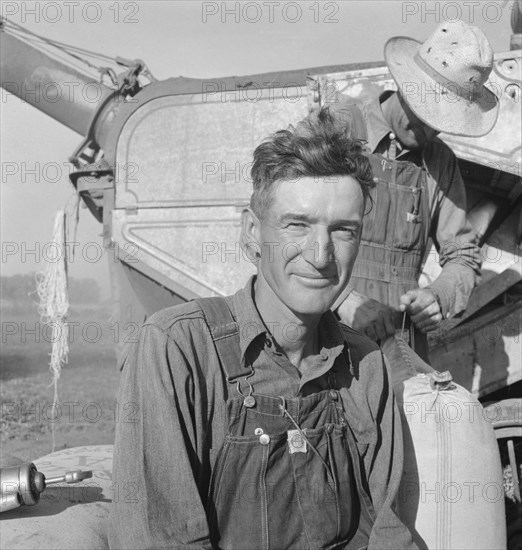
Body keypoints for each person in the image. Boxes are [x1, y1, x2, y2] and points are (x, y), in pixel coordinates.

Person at [108, 109, 417, 549]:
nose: (321, 254)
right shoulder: (176, 349)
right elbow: (163, 539)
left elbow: (389, 533)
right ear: (252, 233)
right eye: (297, 225)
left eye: (343, 231)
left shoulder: (365, 365)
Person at [319, 20, 498, 360]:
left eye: (441, 123)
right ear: (405, 85)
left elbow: (462, 254)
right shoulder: (338, 131)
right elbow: (284, 233)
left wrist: (439, 296)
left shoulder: (440, 162)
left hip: (401, 344)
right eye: (423, 112)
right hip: (323, 331)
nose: (429, 129)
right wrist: (343, 299)